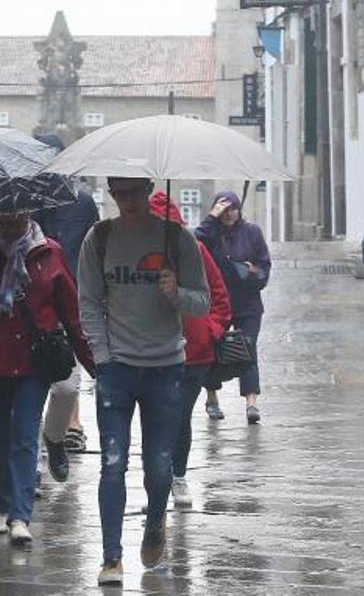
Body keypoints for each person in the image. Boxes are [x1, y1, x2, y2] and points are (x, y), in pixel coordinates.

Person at [79, 177, 209, 585]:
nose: (129, 200)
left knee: (158, 467)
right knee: (112, 463)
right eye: (120, 193)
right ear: (111, 193)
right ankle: (111, 557)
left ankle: (156, 521)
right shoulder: (99, 238)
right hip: (117, 368)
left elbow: (202, 301)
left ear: (149, 189)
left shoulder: (177, 239)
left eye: (136, 192)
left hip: (166, 367)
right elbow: (88, 302)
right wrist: (103, 355)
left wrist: (177, 294)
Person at [0, 213, 95, 546]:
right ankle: (0, 506)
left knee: (25, 433)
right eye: (4, 214)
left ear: (29, 214)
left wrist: (95, 363)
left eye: (18, 213)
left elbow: (72, 313)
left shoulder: (49, 253)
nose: (10, 220)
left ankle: (21, 515)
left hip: (32, 363)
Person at [148, 193, 232, 509]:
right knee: (158, 417)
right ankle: (158, 482)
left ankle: (177, 476)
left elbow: (220, 296)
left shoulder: (195, 251)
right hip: (153, 349)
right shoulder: (140, 254)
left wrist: (210, 330)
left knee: (179, 416)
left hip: (194, 354)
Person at [34, 179, 100, 460]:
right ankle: (35, 457)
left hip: (74, 292)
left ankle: (60, 430)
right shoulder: (33, 200)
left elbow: (95, 243)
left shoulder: (83, 201)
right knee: (36, 379)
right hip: (38, 295)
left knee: (67, 379)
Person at [196, 190, 271, 424]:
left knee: (248, 349)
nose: (229, 213)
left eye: (232, 208)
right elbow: (195, 241)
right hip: (217, 303)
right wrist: (212, 217)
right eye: (223, 209)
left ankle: (251, 403)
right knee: (210, 349)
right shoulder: (211, 234)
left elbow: (265, 267)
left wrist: (253, 272)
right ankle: (212, 399)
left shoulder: (252, 232)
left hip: (247, 303)